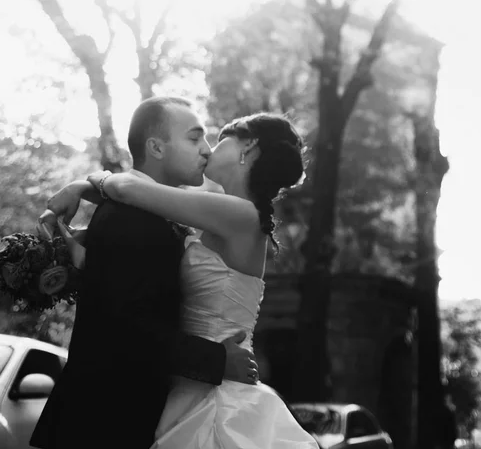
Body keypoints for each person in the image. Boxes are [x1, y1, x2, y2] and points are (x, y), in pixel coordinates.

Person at [45, 109, 319, 448]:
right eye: (198, 138)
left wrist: (82, 183)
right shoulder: (218, 212)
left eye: (219, 140)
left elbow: (129, 189)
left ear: (248, 147)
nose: (207, 150)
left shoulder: (241, 215)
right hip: (187, 383)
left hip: (217, 393)